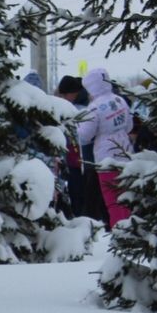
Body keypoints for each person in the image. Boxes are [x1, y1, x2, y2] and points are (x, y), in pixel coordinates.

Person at [77, 67, 134, 227]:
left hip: (105, 157)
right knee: (126, 198)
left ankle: (119, 232)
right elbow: (129, 126)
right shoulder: (119, 100)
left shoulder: (94, 107)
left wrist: (78, 126)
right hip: (126, 153)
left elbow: (84, 136)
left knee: (112, 201)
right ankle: (130, 230)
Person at [56, 75, 86, 218]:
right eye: (73, 94)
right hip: (65, 157)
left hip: (74, 158)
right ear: (65, 93)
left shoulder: (73, 108)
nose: (75, 96)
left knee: (77, 191)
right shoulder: (59, 109)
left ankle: (75, 214)